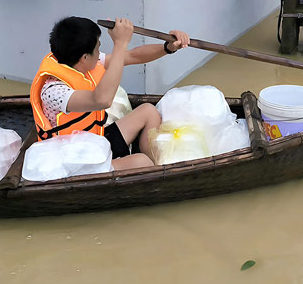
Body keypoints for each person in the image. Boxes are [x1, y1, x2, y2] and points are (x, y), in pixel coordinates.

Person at [30, 16, 190, 170]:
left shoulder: (78, 60)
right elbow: (102, 100)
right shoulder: (54, 92)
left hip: (95, 139)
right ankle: (143, 167)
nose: (100, 51)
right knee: (142, 163)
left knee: (148, 111)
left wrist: (168, 47)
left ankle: (154, 168)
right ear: (84, 57)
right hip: (75, 161)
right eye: (98, 47)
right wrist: (120, 43)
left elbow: (132, 56)